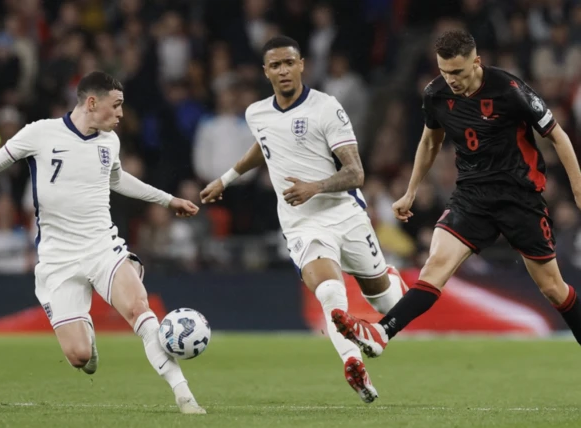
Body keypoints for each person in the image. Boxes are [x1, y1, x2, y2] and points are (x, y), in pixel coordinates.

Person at [0, 71, 206, 414]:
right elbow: (0, 158)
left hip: (102, 246)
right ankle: (84, 332)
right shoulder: (41, 132)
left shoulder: (109, 142)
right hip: (58, 258)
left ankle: (185, 396)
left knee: (138, 309)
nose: (120, 114)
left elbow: (118, 179)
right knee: (80, 357)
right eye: (115, 106)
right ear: (91, 102)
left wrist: (167, 200)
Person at [332, 30, 581, 367]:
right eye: (445, 71)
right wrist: (410, 191)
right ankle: (380, 333)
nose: (451, 80)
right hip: (471, 197)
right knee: (434, 267)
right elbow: (429, 143)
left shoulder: (509, 89)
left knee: (554, 289)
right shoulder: (435, 94)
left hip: (519, 198)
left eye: (459, 73)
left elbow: (560, 137)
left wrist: (578, 189)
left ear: (476, 62)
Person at [199, 36, 408, 404]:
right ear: (266, 72)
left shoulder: (326, 108)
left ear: (302, 65)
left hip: (344, 214)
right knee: (329, 291)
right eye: (275, 65)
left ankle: (391, 281)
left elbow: (356, 172)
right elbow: (263, 147)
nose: (283, 70)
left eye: (288, 63)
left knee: (388, 305)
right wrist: (226, 179)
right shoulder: (256, 113)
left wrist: (316, 186)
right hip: (302, 224)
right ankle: (353, 364)